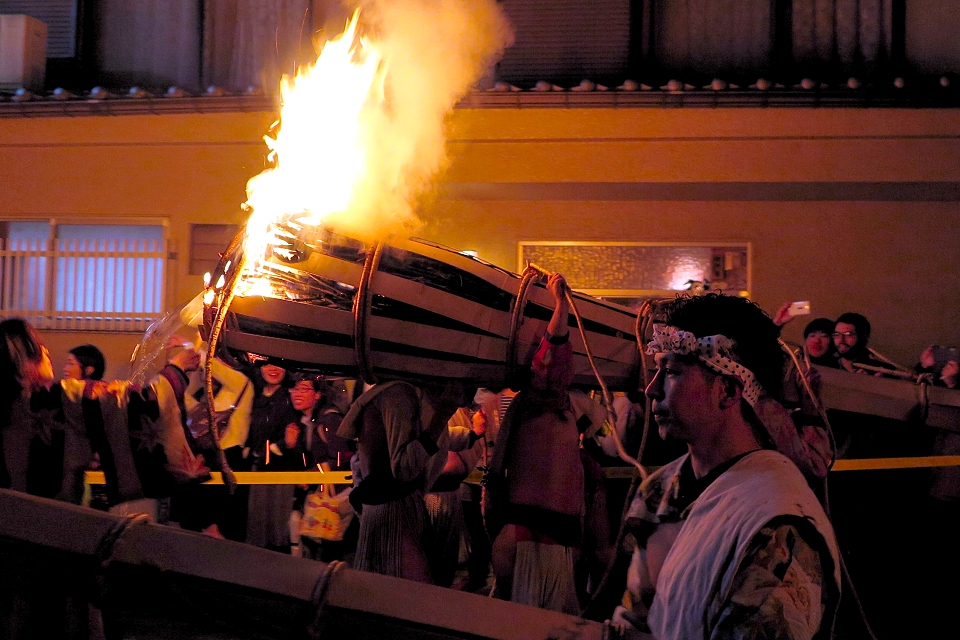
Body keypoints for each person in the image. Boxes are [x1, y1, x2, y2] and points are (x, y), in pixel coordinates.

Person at [611, 293, 840, 640]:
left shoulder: (777, 527)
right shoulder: (659, 489)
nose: (651, 389)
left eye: (672, 371)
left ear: (730, 392)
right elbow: (635, 621)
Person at [487, 273, 606, 615]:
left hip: (526, 538)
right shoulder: (534, 401)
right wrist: (559, 303)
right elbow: (553, 351)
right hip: (532, 539)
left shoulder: (561, 409)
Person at [337, 378, 476, 583]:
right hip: (391, 511)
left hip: (400, 506)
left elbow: (427, 440)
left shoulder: (407, 393)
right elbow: (403, 468)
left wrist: (468, 436)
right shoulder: (397, 394)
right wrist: (441, 417)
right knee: (408, 593)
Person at [244, 362, 301, 551]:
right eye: (267, 364)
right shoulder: (254, 396)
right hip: (257, 467)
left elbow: (292, 438)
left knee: (277, 527)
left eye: (278, 364)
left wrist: (278, 447)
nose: (273, 368)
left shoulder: (288, 398)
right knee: (257, 524)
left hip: (280, 469)